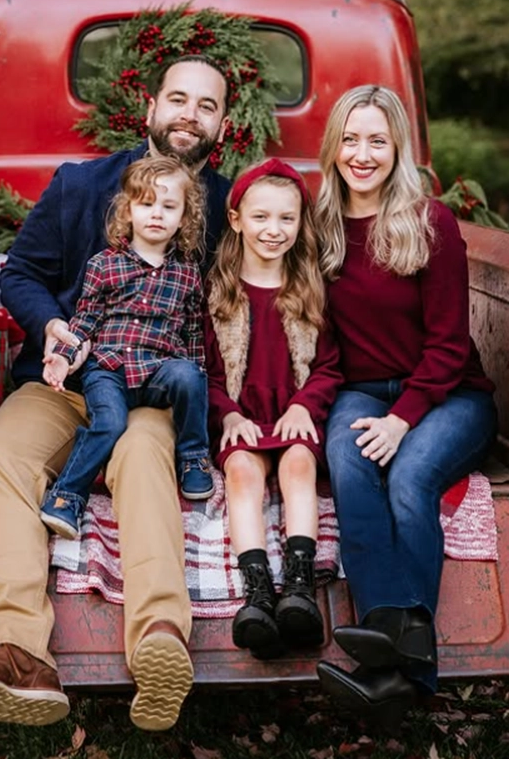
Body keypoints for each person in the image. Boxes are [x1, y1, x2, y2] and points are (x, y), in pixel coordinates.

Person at [0, 55, 232, 731]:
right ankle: (17, 657)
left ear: (222, 123)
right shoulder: (79, 186)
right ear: (151, 108)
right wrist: (56, 327)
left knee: (144, 460)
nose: (189, 114)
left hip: (152, 393)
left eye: (205, 104)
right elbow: (24, 275)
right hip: (63, 380)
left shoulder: (230, 211)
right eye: (177, 99)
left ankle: (159, 637)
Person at [313, 85, 497, 725]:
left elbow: (449, 345)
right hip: (360, 389)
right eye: (351, 139)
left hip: (450, 394)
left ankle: (398, 667)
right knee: (346, 456)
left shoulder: (429, 222)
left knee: (411, 475)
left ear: (399, 149)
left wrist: (402, 419)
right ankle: (396, 642)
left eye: (377, 141)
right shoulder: (322, 226)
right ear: (334, 144)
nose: (362, 154)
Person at [204, 158, 342, 660]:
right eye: (260, 217)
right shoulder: (217, 293)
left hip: (293, 418)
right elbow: (206, 374)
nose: (274, 229)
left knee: (301, 463)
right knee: (241, 470)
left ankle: (300, 586)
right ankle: (258, 591)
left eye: (287, 218)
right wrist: (229, 415)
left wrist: (306, 405)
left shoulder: (310, 290)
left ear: (301, 223)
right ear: (237, 219)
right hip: (242, 419)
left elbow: (329, 365)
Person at [40, 154, 214, 541]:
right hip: (109, 369)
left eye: (169, 206)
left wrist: (197, 381)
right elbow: (84, 322)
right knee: (109, 423)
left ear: (184, 218)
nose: (157, 214)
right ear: (128, 209)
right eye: (147, 203)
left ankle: (193, 457)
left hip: (158, 371)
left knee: (188, 375)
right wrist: (63, 359)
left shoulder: (187, 275)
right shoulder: (104, 265)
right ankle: (68, 496)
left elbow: (191, 337)